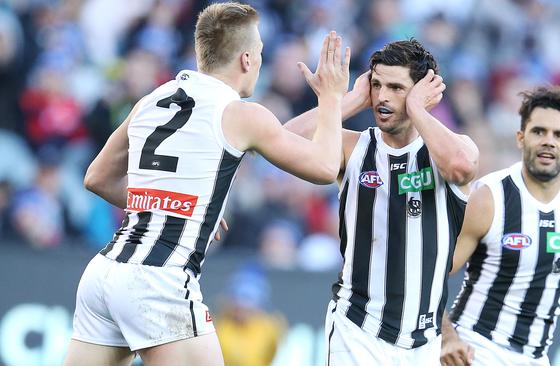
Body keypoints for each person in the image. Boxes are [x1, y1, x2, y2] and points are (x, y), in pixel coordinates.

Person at [63, 3, 350, 366]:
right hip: (159, 279)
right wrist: (332, 97)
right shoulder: (241, 113)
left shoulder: (152, 100)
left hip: (104, 272)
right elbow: (324, 167)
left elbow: (97, 178)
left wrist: (176, 208)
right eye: (260, 53)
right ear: (247, 59)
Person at [285, 38, 479, 364]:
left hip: (424, 341)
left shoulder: (451, 149)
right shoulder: (354, 147)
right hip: (357, 328)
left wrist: (418, 110)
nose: (383, 97)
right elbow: (282, 141)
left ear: (421, 92)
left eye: (396, 88)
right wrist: (348, 101)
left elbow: (461, 166)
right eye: (376, 85)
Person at [441, 87, 560, 366]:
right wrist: (447, 337)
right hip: (476, 348)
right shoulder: (490, 197)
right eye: (539, 131)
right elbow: (431, 275)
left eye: (559, 135)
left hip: (536, 358)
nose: (549, 141)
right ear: (521, 138)